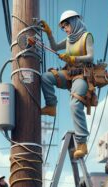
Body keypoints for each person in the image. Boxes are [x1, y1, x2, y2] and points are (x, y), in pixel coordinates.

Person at [40, 10, 95, 159]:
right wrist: (49, 33)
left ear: (74, 22)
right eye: (63, 27)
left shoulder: (86, 36)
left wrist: (73, 59)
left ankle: (82, 144)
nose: (65, 29)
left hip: (82, 76)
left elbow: (90, 56)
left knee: (75, 105)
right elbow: (55, 46)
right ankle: (51, 106)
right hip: (69, 74)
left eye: (66, 26)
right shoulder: (69, 39)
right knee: (45, 77)